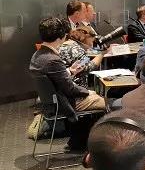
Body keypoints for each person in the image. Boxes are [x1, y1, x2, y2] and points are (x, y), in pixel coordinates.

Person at [30, 17, 106, 147]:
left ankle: (79, 140)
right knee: (107, 102)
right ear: (62, 36)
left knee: (95, 96)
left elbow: (53, 79)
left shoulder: (37, 56)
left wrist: (70, 71)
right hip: (64, 103)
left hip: (50, 103)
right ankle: (97, 144)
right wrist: (88, 92)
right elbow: (70, 89)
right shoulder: (53, 59)